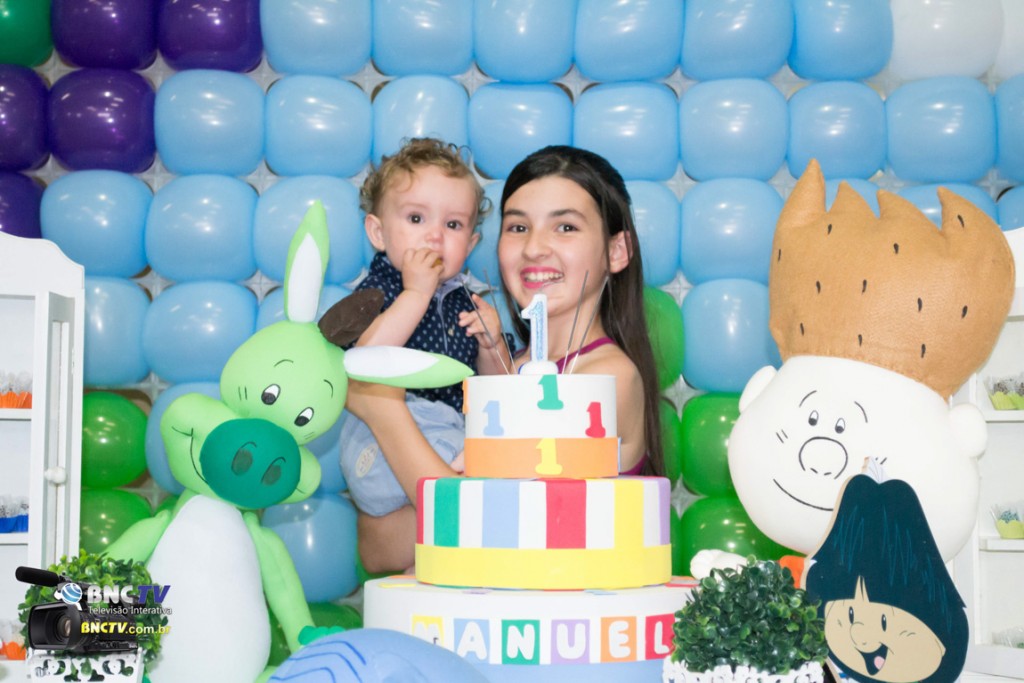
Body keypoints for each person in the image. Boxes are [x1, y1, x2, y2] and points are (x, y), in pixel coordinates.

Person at [348, 145, 664, 572]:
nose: (534, 248)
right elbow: (377, 547)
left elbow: (470, 524)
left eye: (565, 227)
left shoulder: (605, 379)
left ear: (617, 251)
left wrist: (383, 409)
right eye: (518, 227)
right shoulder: (499, 363)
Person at [339, 138, 510, 518]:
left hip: (448, 433)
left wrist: (491, 344)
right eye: (416, 219)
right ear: (378, 233)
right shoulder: (378, 290)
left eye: (453, 224)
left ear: (470, 244)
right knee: (482, 486)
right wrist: (415, 293)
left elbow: (496, 392)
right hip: (380, 440)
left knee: (501, 453)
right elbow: (362, 362)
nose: (435, 236)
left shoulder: (467, 300)